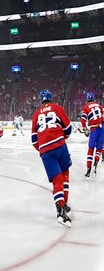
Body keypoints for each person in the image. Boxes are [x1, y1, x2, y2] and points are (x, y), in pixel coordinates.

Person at [30, 89, 73, 226]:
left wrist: (43, 148)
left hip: (45, 150)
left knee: (56, 179)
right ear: (51, 98)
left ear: (41, 99)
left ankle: (60, 209)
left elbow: (34, 139)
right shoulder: (57, 108)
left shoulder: (36, 114)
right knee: (65, 173)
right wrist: (60, 138)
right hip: (60, 145)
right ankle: (64, 204)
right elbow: (68, 129)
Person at [80, 91, 103, 178]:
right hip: (102, 128)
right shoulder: (99, 105)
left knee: (90, 149)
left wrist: (85, 128)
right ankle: (96, 161)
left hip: (94, 129)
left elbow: (83, 119)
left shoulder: (86, 107)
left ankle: (88, 169)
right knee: (99, 148)